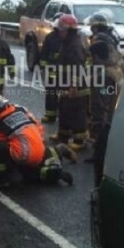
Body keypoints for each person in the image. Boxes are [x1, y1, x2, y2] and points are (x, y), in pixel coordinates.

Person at [0, 94, 75, 188]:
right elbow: (38, 127)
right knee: (30, 148)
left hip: (23, 156)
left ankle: (0, 179)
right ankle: (58, 151)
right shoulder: (21, 109)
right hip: (38, 146)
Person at [50, 14, 89, 151]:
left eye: (60, 30)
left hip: (76, 89)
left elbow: (77, 67)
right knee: (64, 110)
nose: (58, 33)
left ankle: (79, 140)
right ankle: (63, 136)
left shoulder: (75, 45)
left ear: (66, 30)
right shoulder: (67, 44)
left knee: (76, 113)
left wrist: (74, 84)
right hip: (65, 85)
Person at [86, 41, 124, 181]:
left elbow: (102, 101)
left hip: (106, 114)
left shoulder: (104, 74)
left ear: (96, 56)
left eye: (91, 57)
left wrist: (97, 121)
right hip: (117, 111)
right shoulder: (116, 69)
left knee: (102, 137)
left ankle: (99, 155)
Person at [39, 14, 63, 123]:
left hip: (62, 71)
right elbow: (44, 53)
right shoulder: (50, 37)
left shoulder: (67, 38)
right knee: (51, 93)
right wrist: (43, 66)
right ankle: (50, 114)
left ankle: (58, 114)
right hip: (53, 70)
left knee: (60, 94)